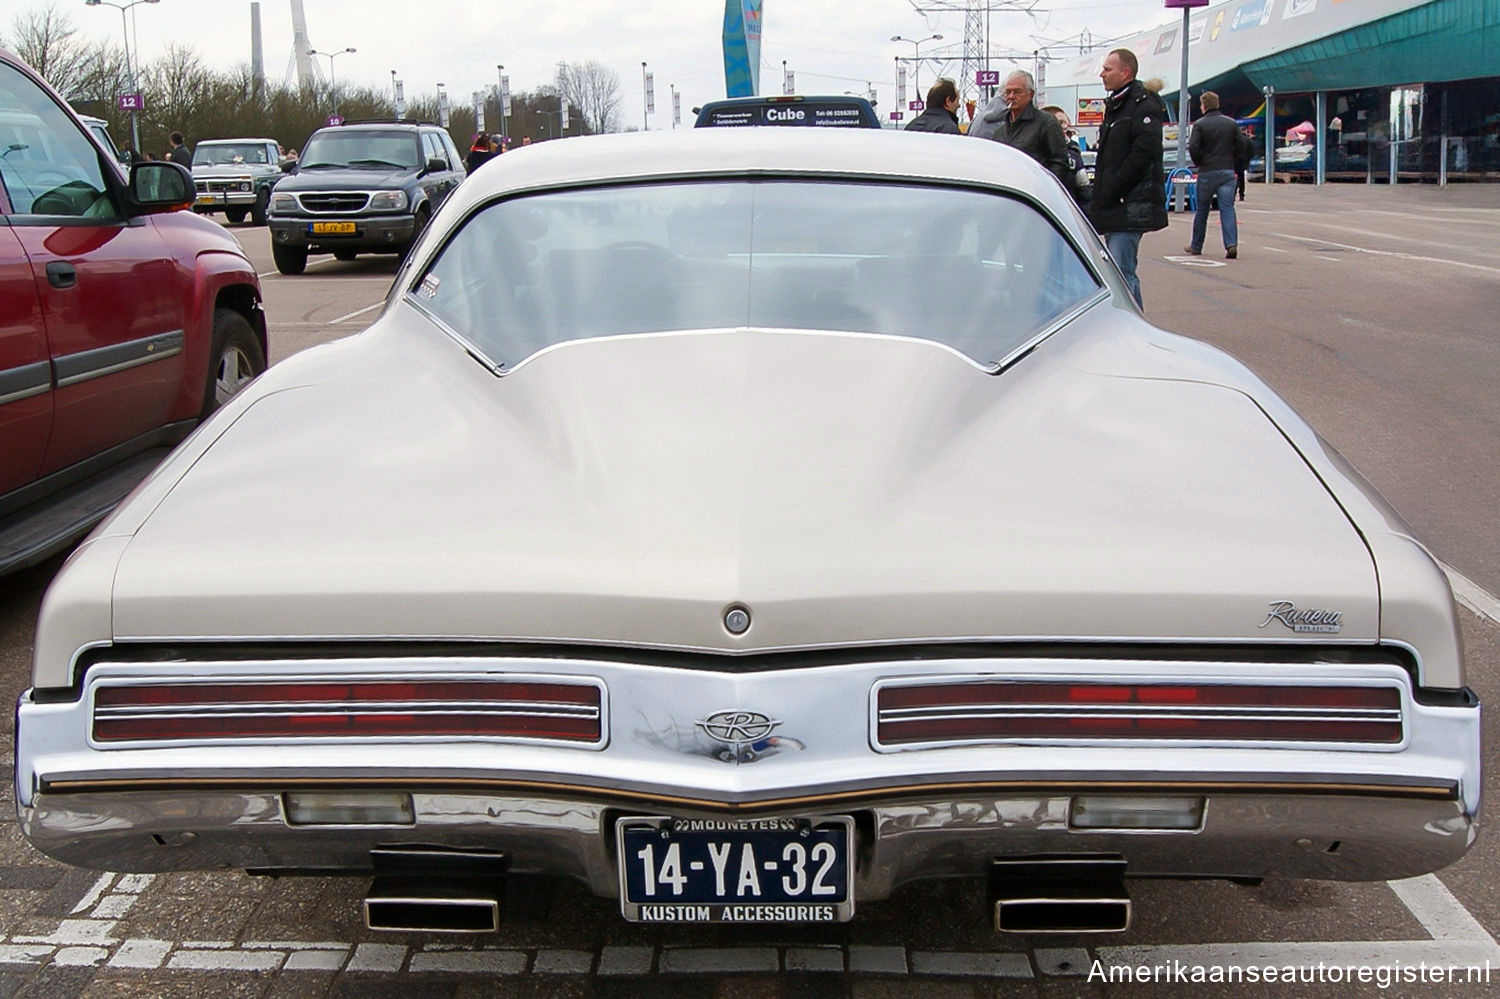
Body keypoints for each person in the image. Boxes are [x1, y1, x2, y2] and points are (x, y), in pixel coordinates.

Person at [1088, 49, 1167, 308]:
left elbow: (1143, 153)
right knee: (1118, 272)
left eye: (1107, 69)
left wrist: (1113, 188)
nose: (1102, 74)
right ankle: (1130, 325)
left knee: (1123, 273)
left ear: (1126, 73)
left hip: (1130, 204)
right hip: (1116, 202)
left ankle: (1134, 329)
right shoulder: (1118, 104)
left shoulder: (1143, 104)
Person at [969, 71, 1072, 189]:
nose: (1011, 96)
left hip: (1035, 197)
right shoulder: (1000, 131)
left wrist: (1044, 189)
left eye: (1017, 92)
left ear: (1031, 94)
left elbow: (1060, 163)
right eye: (1008, 92)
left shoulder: (1046, 123)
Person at [1184, 92, 1251, 260]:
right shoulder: (1231, 123)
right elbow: (1242, 145)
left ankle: (1196, 245)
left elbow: (1193, 147)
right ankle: (1231, 244)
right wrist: (1234, 161)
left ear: (1204, 106)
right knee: (1227, 208)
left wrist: (1199, 161)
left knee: (1202, 210)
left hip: (1207, 171)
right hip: (1227, 171)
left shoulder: (1200, 124)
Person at [1044, 104, 1090, 207]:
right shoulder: (1037, 150)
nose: (1065, 126)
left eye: (1066, 122)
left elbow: (1083, 187)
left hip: (1070, 208)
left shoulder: (1073, 150)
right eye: (1060, 123)